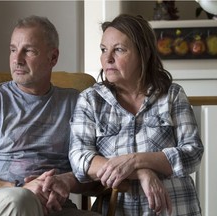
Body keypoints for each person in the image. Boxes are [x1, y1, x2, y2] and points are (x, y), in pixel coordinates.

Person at [0, 15, 101, 216]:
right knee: (20, 200)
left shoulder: (75, 103)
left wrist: (64, 182)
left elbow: (91, 172)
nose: (17, 59)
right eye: (13, 49)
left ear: (53, 58)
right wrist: (16, 187)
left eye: (28, 51)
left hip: (53, 206)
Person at [69, 14, 204, 216]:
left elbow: (192, 153)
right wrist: (141, 172)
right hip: (119, 210)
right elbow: (80, 159)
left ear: (144, 53)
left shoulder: (173, 94)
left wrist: (136, 160)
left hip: (176, 209)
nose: (108, 58)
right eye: (104, 50)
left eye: (119, 49)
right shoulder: (90, 100)